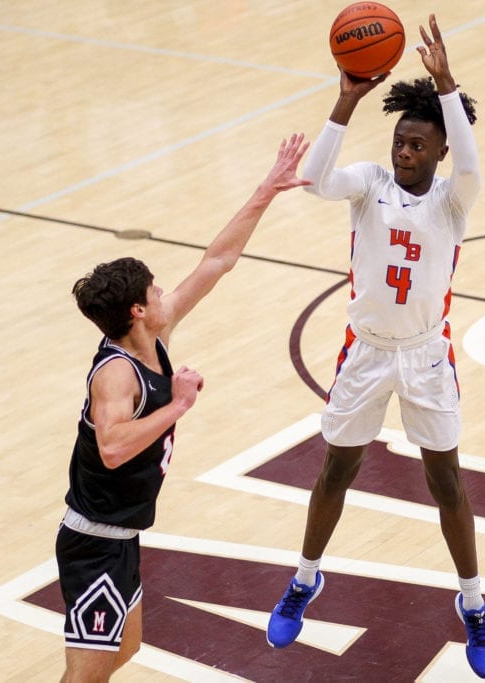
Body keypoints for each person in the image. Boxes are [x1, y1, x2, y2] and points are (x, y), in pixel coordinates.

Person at [266, 14, 485, 680]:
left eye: (418, 144)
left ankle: (474, 602)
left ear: (439, 151)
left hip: (426, 357)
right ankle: (305, 579)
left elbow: (474, 159)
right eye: (400, 140)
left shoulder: (456, 200)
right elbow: (313, 180)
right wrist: (346, 98)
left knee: (446, 482)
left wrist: (447, 86)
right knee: (336, 470)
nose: (405, 151)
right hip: (365, 353)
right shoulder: (367, 183)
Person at [56, 133, 310, 682]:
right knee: (86, 677)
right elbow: (114, 446)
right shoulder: (118, 373)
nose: (163, 291)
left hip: (121, 536)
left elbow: (218, 260)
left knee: (126, 650)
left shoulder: (156, 331)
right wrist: (178, 404)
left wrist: (267, 188)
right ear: (136, 311)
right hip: (94, 542)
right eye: (154, 289)